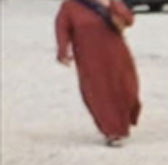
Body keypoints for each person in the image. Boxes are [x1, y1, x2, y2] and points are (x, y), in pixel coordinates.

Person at [55, 0, 141, 147]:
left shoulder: (111, 2)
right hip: (89, 57)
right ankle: (113, 132)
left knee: (128, 89)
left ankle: (125, 118)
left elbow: (128, 20)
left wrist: (112, 6)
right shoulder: (70, 5)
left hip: (117, 53)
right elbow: (62, 27)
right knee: (100, 93)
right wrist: (63, 50)